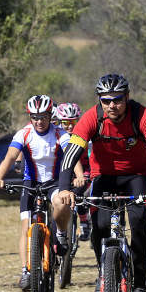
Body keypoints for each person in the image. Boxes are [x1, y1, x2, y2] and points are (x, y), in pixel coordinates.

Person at [56, 73, 146, 292]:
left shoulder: (142, 115)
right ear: (99, 100)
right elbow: (71, 153)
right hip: (103, 176)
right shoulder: (91, 117)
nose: (112, 105)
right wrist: (64, 188)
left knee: (138, 222)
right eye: (105, 100)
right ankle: (103, 274)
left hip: (137, 175)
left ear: (127, 97)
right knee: (99, 224)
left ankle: (139, 284)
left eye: (117, 99)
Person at [0, 96, 83, 290]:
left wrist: (80, 176)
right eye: (35, 117)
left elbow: (72, 156)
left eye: (43, 117)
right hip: (30, 183)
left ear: (50, 116)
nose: (39, 121)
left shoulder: (60, 134)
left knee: (62, 202)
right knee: (26, 226)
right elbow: (10, 157)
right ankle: (26, 271)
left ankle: (60, 233)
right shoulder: (23, 134)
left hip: (55, 181)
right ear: (30, 117)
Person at [55, 102, 92, 241]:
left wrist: (83, 176)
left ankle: (83, 222)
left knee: (79, 193)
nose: (70, 126)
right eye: (66, 122)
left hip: (83, 170)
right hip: (63, 171)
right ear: (59, 122)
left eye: (74, 122)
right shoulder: (56, 135)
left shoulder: (84, 134)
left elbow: (91, 156)